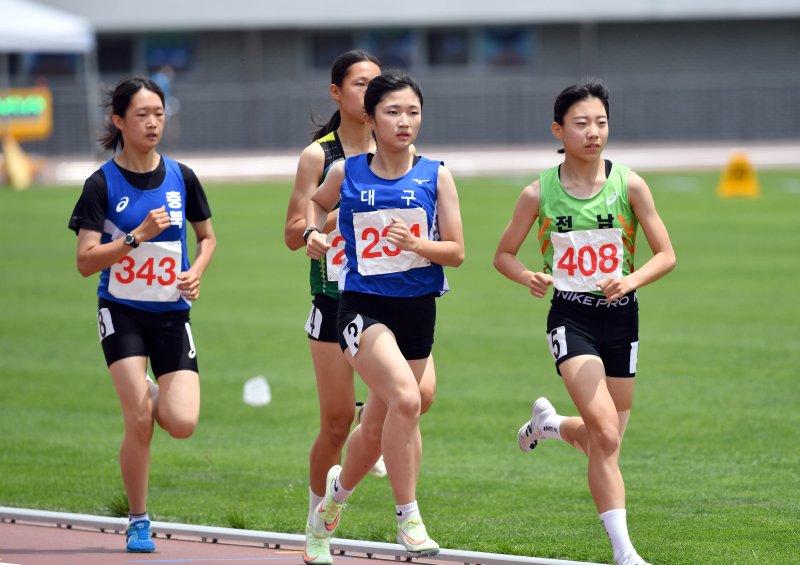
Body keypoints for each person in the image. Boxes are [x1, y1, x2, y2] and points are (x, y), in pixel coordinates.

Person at [493, 79, 675, 565]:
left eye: (601, 122)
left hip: (623, 320)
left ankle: (549, 426)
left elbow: (667, 255)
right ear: (559, 129)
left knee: (605, 441)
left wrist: (631, 280)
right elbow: (503, 255)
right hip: (572, 318)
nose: (594, 132)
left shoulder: (630, 184)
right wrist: (528, 275)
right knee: (605, 434)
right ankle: (625, 552)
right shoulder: (538, 193)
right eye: (581, 124)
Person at [303, 70, 464, 562]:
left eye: (413, 111)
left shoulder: (436, 175)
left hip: (417, 310)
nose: (404, 121)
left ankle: (329, 508)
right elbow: (315, 204)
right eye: (393, 112)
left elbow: (456, 251)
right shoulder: (346, 171)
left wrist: (418, 244)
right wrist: (315, 234)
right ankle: (408, 518)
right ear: (370, 118)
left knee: (375, 428)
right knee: (407, 399)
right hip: (362, 307)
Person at [68, 76, 216, 553]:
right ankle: (138, 519)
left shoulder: (182, 176)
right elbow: (86, 261)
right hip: (122, 311)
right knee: (138, 420)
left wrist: (195, 270)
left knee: (182, 422)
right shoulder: (100, 185)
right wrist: (135, 237)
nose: (153, 123)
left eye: (158, 114)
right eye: (141, 115)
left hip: (172, 313)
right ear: (118, 121)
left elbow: (208, 237)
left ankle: (149, 390)